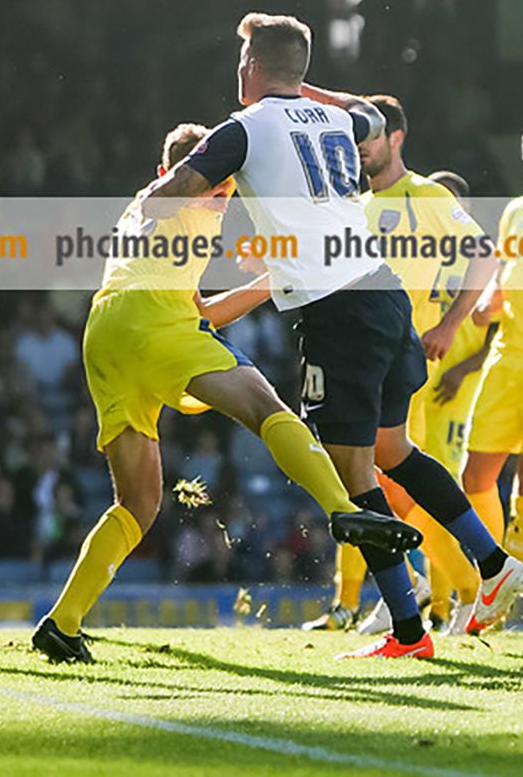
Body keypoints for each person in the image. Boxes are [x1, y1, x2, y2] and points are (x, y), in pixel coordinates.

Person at [146, 13, 523, 660]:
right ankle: (493, 564)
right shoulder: (336, 120)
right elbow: (367, 116)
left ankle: (409, 629)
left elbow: (177, 186)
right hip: (381, 295)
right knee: (392, 450)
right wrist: (303, 88)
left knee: (353, 472)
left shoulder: (243, 128)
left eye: (244, 59)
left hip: (337, 315)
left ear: (250, 67)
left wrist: (137, 210)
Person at [32, 123, 421, 664]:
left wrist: (268, 279)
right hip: (152, 324)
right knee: (267, 407)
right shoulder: (180, 200)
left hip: (107, 334)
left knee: (138, 504)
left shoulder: (146, 212)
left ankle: (63, 623)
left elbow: (203, 311)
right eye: (223, 185)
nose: (227, 195)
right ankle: (342, 508)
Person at [332, 96, 498, 638]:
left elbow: (485, 255)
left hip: (412, 361)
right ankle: (418, 586)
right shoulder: (355, 205)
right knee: (380, 485)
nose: (359, 146)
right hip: (368, 359)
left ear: (395, 137)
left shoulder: (427, 194)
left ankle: (474, 586)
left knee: (403, 483)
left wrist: (450, 325)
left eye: (369, 135)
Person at [459, 106, 523, 614]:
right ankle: (496, 572)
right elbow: (505, 268)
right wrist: (490, 300)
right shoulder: (517, 209)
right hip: (504, 357)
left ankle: (495, 598)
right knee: (474, 477)